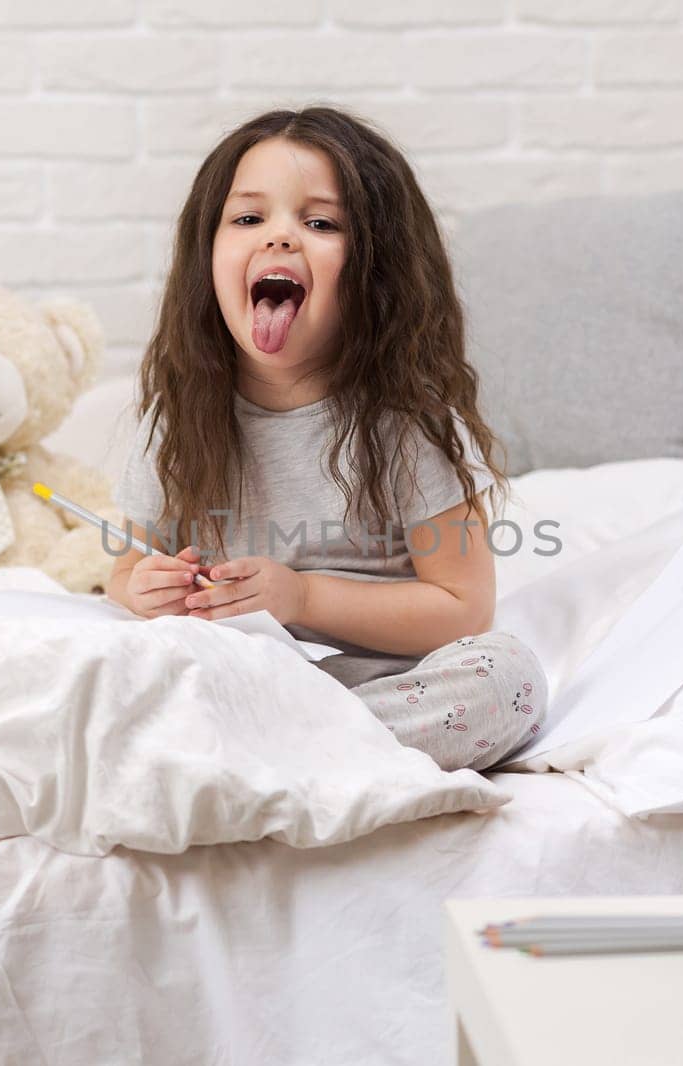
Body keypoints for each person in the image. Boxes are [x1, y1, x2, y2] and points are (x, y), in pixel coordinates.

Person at [104, 106, 546, 772]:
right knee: (91, 661)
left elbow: (463, 607)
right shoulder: (174, 418)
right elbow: (123, 570)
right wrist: (144, 587)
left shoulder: (404, 427)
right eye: (249, 218)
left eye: (320, 223)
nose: (280, 238)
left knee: (506, 679)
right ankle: (264, 747)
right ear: (207, 257)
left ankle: (250, 752)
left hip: (379, 686)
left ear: (377, 269)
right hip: (236, 672)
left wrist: (302, 598)